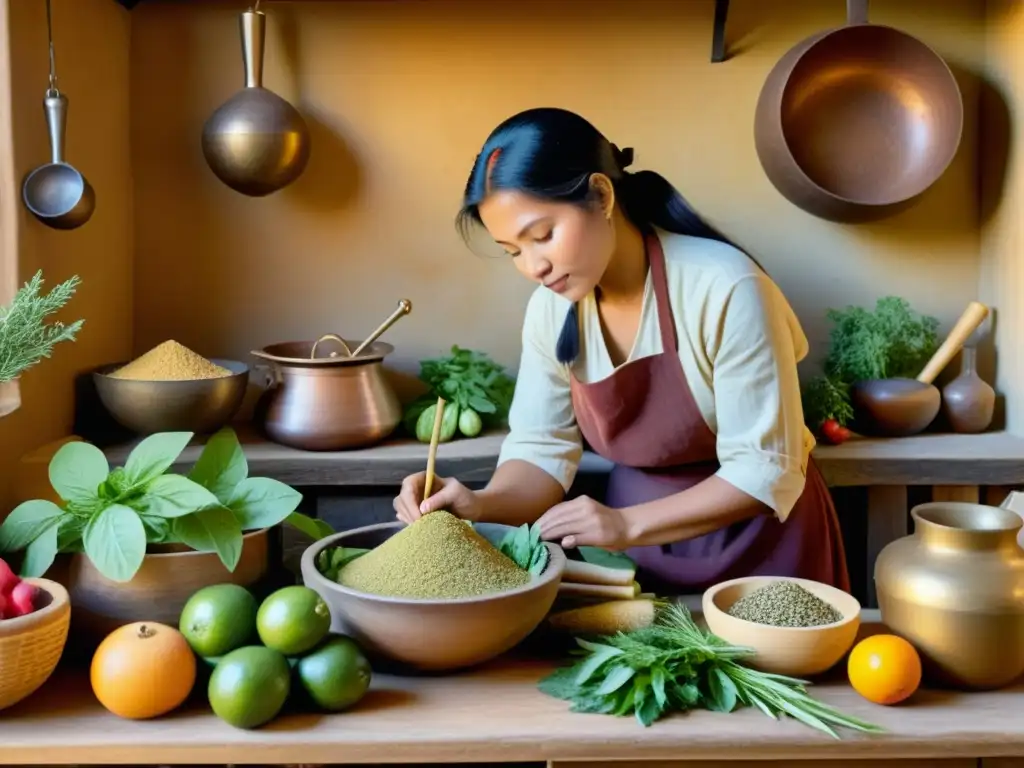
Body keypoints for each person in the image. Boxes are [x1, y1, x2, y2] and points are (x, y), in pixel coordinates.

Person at [393, 107, 850, 593]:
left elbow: (764, 469)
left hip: (763, 549)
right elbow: (541, 451)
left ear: (602, 195)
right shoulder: (550, 311)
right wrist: (479, 504)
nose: (534, 266)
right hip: (637, 563)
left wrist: (626, 525)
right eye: (513, 251)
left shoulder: (725, 287)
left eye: (542, 235)